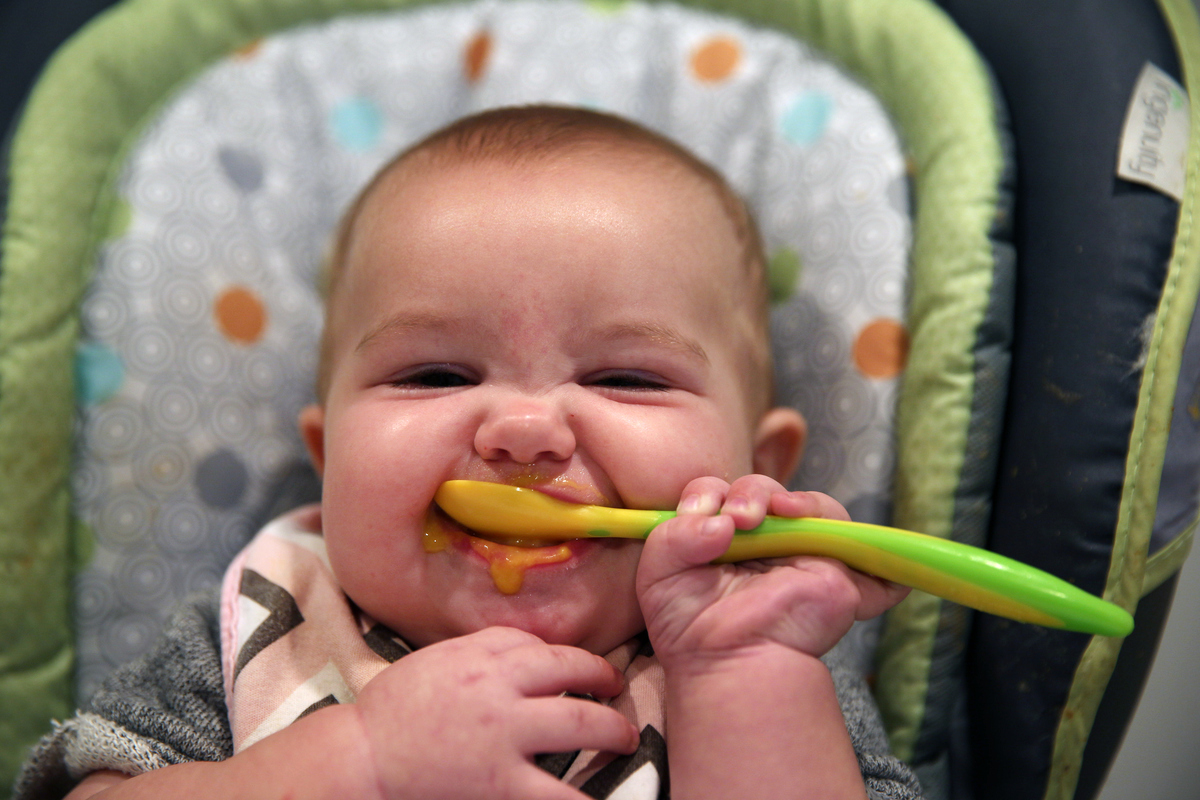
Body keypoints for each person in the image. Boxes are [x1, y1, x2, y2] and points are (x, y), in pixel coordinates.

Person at [15, 105, 921, 800]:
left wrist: (743, 678)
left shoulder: (761, 656)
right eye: (436, 375)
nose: (525, 430)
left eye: (629, 379)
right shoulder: (271, 630)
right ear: (329, 463)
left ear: (757, 466)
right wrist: (357, 764)